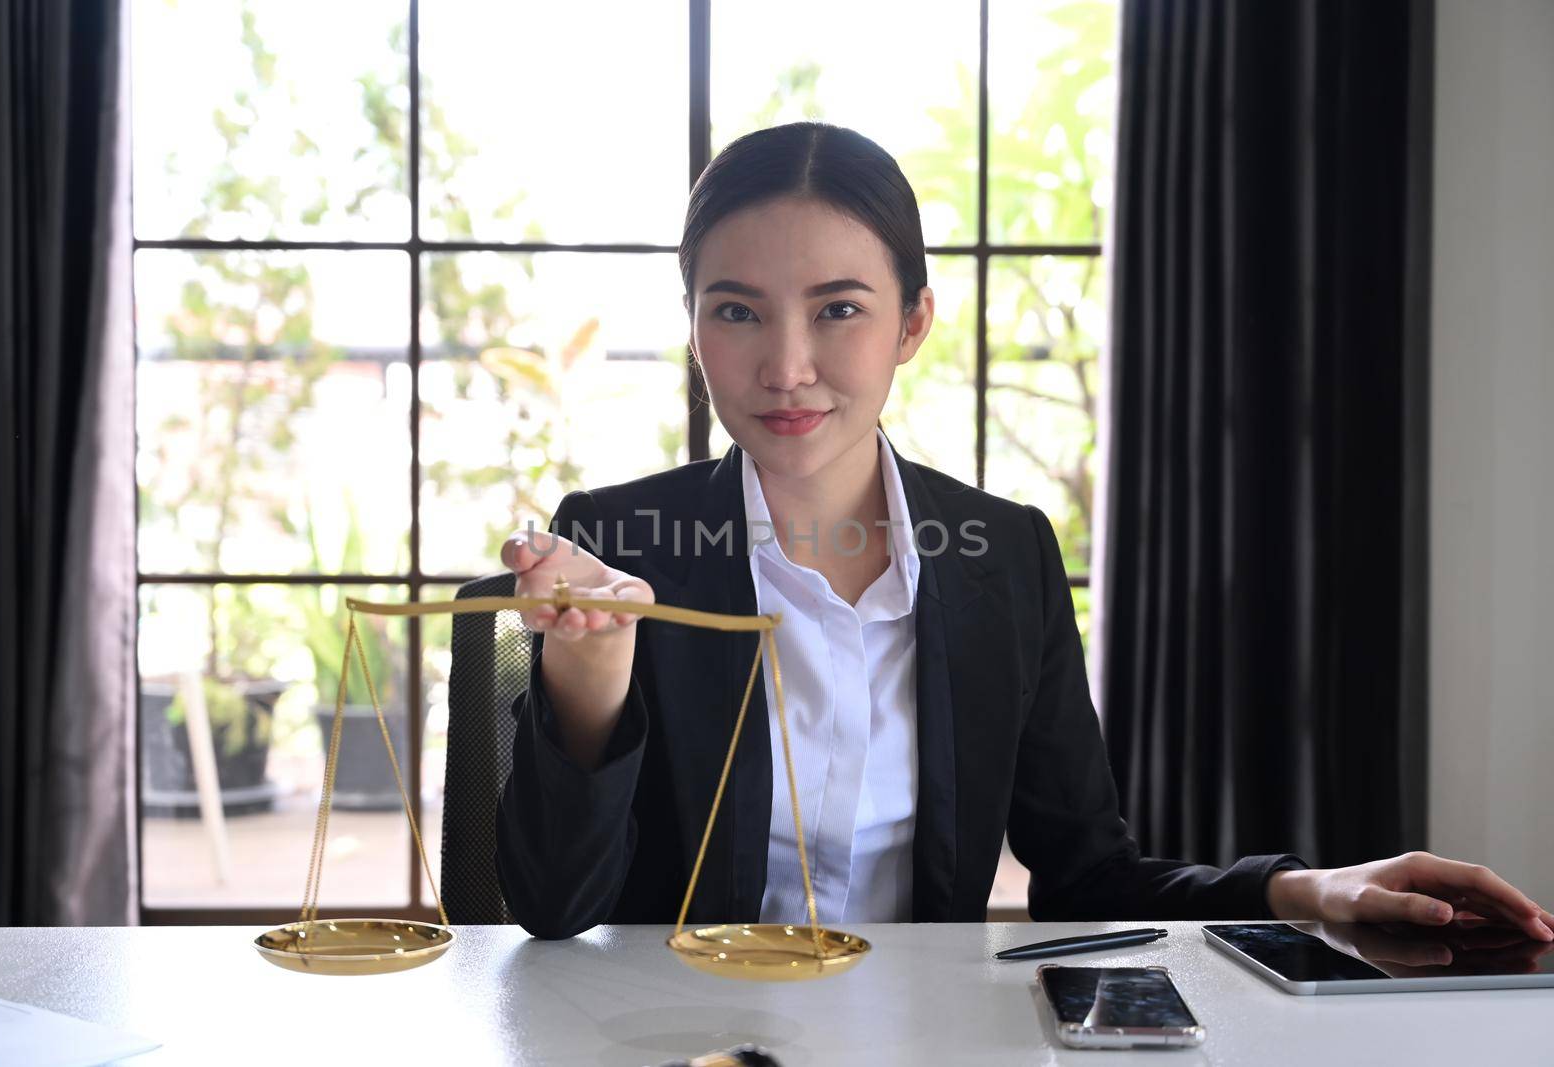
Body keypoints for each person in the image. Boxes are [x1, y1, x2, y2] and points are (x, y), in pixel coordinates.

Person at [492, 121, 1553, 943]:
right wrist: (591, 685)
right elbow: (552, 908)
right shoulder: (622, 542)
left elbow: (1085, 873)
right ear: (691, 328)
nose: (785, 365)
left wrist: (1307, 887)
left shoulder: (1001, 554)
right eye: (735, 311)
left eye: (838, 308)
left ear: (913, 322)